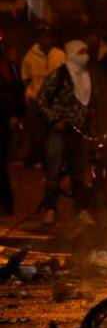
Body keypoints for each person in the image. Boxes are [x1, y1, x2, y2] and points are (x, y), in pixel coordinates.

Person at [36, 40, 95, 226]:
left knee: (78, 175)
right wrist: (55, 120)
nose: (85, 55)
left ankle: (80, 211)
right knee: (53, 174)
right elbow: (41, 100)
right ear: (71, 54)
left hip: (79, 133)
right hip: (59, 133)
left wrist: (91, 130)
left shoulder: (87, 78)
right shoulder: (59, 75)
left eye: (86, 51)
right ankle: (50, 209)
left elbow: (91, 107)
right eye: (81, 52)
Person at [20, 26, 64, 167]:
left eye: (49, 36)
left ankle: (52, 159)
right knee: (37, 132)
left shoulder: (60, 55)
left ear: (53, 39)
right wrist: (29, 94)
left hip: (55, 101)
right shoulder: (30, 55)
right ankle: (37, 157)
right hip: (36, 100)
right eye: (43, 35)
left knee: (54, 132)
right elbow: (25, 77)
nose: (46, 39)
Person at [0, 32, 25, 216]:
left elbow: (18, 91)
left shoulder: (10, 67)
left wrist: (17, 115)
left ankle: (6, 202)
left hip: (4, 121)